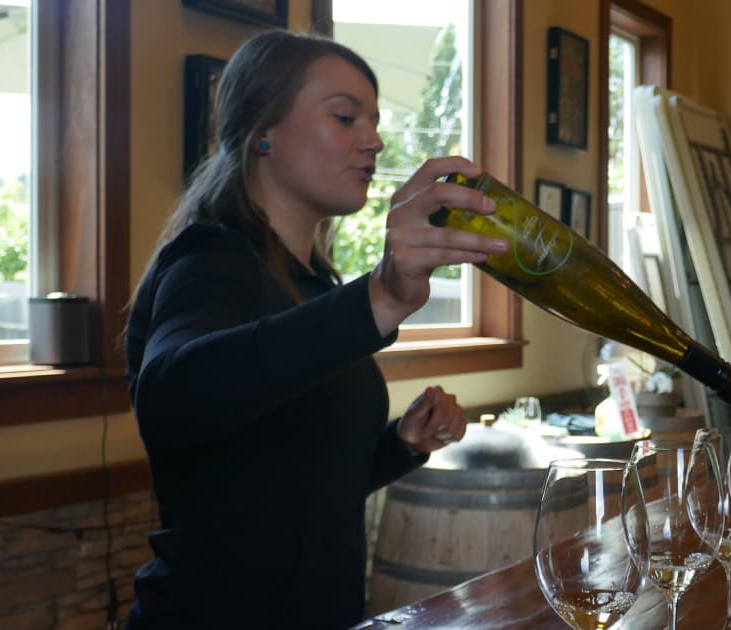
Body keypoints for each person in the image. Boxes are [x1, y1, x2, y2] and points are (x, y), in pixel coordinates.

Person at [123, 31, 507, 629]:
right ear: (262, 131)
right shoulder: (210, 259)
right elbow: (174, 396)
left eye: (374, 121)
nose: (374, 140)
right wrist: (379, 295)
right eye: (345, 117)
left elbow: (305, 481)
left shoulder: (313, 286)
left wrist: (400, 444)